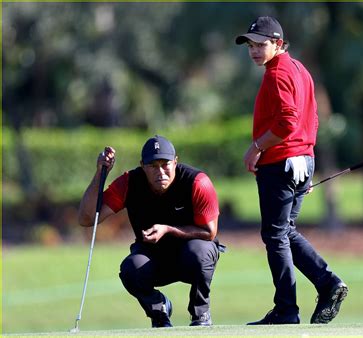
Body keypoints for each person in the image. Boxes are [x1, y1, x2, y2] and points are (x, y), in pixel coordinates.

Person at [236, 16, 348, 325]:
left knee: (274, 235)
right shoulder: (300, 70)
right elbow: (310, 120)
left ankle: (287, 309)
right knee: (284, 232)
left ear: (278, 44)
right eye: (251, 45)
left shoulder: (277, 74)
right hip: (299, 160)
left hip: (280, 162)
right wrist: (307, 164)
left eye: (261, 44)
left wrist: (256, 146)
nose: (254, 50)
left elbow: (287, 122)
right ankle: (328, 284)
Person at [78, 135, 222, 328]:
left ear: (175, 162)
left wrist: (168, 229)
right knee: (130, 270)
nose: (160, 171)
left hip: (190, 257)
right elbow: (87, 219)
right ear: (143, 165)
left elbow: (209, 232)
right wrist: (99, 173)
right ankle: (159, 310)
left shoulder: (197, 182)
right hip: (153, 258)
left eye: (165, 164)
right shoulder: (129, 183)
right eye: (153, 166)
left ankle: (200, 314)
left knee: (201, 253)